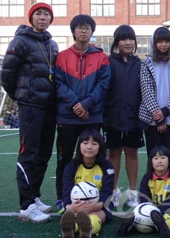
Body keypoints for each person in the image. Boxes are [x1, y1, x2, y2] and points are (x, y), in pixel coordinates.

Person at [1, 2, 58, 223]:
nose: (42, 18)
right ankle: (26, 205)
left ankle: (34, 197)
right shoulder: (20, 41)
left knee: (43, 155)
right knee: (29, 154)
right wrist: (21, 96)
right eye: (38, 14)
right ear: (32, 17)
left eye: (46, 14)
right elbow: (7, 74)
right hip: (31, 107)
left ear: (51, 19)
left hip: (49, 107)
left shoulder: (52, 44)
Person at [55, 14, 111, 212]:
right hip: (67, 117)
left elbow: (104, 85)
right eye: (80, 27)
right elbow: (59, 84)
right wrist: (77, 105)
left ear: (92, 31)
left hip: (92, 115)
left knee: (97, 157)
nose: (84, 31)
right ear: (73, 31)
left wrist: (86, 104)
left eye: (87, 27)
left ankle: (100, 199)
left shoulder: (102, 57)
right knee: (65, 159)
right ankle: (63, 200)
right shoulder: (61, 57)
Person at [103, 25, 144, 208]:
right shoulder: (108, 62)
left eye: (131, 39)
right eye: (123, 39)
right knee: (113, 153)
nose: (128, 42)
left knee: (132, 152)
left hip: (134, 117)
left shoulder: (140, 64)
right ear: (116, 42)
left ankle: (133, 192)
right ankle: (113, 191)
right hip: (112, 117)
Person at [138, 27, 170, 162]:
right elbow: (146, 91)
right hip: (151, 119)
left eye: (167, 41)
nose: (163, 45)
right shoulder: (146, 64)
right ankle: (152, 183)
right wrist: (159, 118)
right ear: (154, 43)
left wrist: (165, 111)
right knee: (154, 159)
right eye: (160, 41)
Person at [60, 128, 114, 238]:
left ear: (100, 147)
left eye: (94, 144)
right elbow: (66, 190)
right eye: (85, 143)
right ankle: (69, 229)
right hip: (76, 205)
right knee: (73, 214)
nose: (89, 147)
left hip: (100, 205)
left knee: (97, 214)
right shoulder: (71, 166)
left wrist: (96, 205)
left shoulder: (107, 166)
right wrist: (69, 207)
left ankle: (87, 230)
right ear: (79, 145)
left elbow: (107, 191)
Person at [117, 145, 170, 238]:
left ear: (169, 161)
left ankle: (163, 226)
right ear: (151, 162)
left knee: (167, 217)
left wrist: (159, 212)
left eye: (163, 158)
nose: (159, 161)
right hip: (150, 207)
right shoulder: (147, 178)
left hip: (169, 207)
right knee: (139, 216)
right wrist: (149, 209)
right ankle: (127, 226)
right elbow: (143, 196)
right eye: (156, 158)